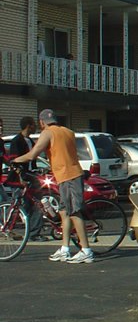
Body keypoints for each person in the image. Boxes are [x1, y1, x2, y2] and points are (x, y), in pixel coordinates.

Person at [12, 109, 94, 264]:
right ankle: (65, 249)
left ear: (42, 122)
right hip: (69, 174)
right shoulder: (68, 131)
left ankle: (86, 250)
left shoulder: (48, 132)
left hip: (68, 176)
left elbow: (33, 154)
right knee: (64, 212)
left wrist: (15, 161)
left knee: (74, 212)